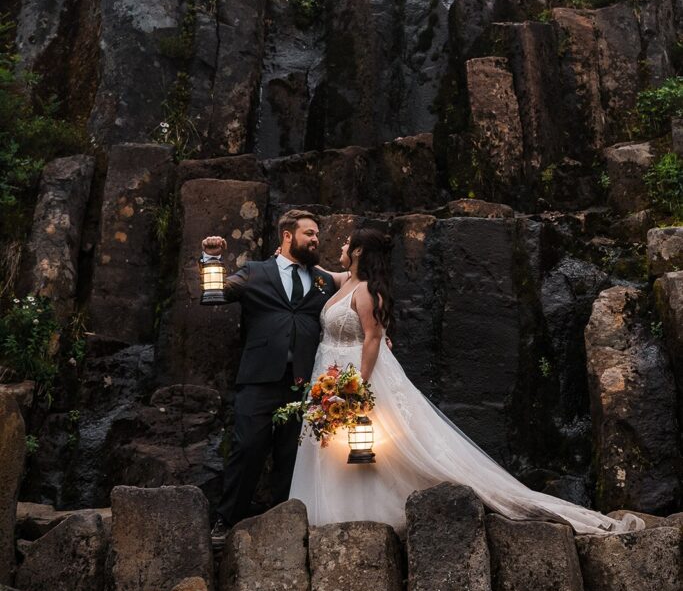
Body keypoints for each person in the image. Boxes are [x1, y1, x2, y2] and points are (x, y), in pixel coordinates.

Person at [289, 227, 645, 535]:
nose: (339, 248)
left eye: (346, 244)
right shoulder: (345, 281)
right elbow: (321, 273)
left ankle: (362, 511)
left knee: (374, 446)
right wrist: (289, 254)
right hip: (330, 370)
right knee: (333, 446)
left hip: (355, 374)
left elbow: (371, 337)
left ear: (358, 251)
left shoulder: (366, 291)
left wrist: (357, 388)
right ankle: (329, 508)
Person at [202, 209, 337, 541]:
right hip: (259, 379)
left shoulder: (322, 281)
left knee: (292, 456)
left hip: (305, 383)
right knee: (247, 447)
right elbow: (215, 295)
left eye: (317, 234)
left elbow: (356, 294)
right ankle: (226, 518)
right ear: (288, 236)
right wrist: (212, 258)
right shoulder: (255, 272)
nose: (316, 239)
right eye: (309, 234)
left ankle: (284, 523)